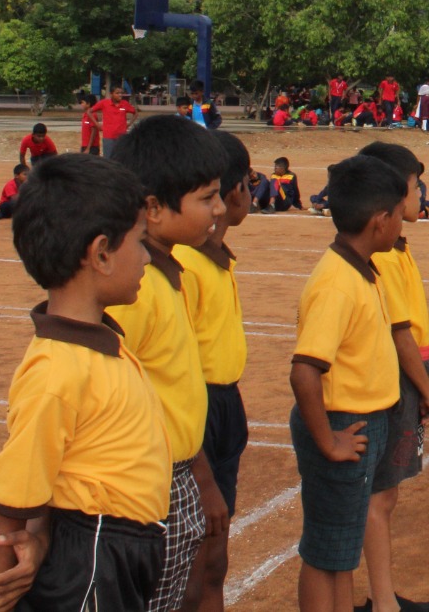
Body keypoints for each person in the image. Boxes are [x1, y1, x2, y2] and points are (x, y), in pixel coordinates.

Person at [0, 155, 171, 611]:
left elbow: (54, 474)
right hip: (94, 559)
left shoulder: (101, 342)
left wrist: (40, 538)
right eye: (140, 242)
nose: (146, 257)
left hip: (116, 549)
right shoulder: (57, 371)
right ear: (101, 253)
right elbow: (7, 507)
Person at [105, 116, 231, 612]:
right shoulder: (133, 291)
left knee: (185, 590)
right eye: (207, 198)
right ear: (153, 209)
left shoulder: (167, 272)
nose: (219, 209)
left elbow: (173, 395)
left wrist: (201, 476)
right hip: (145, 487)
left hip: (180, 473)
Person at [289, 156, 405, 612]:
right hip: (343, 424)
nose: (400, 222)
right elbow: (304, 371)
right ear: (380, 222)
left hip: (362, 422)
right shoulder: (337, 283)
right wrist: (329, 440)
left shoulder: (361, 267)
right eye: (397, 213)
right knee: (326, 553)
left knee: (341, 554)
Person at [357, 142, 429, 612]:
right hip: (396, 378)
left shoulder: (397, 248)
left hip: (409, 373)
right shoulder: (385, 257)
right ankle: (383, 601)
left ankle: (383, 595)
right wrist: (428, 386)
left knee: (385, 495)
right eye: (416, 185)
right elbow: (399, 335)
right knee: (380, 495)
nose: (422, 193)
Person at [172, 130, 253, 612]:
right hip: (195, 410)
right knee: (193, 556)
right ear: (235, 190)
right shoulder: (184, 266)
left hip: (223, 403)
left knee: (214, 555)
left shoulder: (215, 259)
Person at [92, 86, 139, 160]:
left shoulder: (125, 104)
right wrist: (97, 125)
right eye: (117, 93)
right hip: (108, 137)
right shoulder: (104, 103)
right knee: (108, 159)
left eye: (121, 93)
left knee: (121, 158)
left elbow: (135, 113)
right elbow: (89, 112)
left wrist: (129, 124)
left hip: (121, 137)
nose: (120, 95)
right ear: (111, 94)